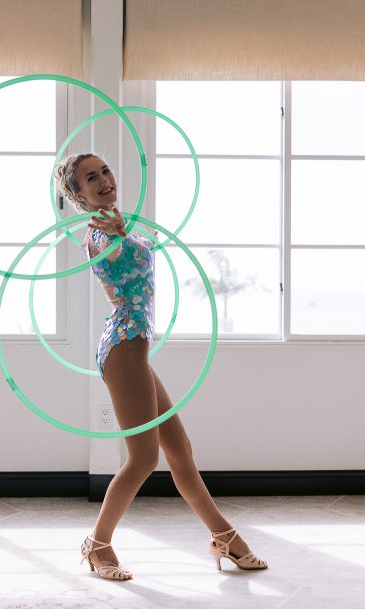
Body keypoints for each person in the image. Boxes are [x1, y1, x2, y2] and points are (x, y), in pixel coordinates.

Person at [52, 152, 268, 581]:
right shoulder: (98, 233)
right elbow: (111, 251)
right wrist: (117, 233)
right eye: (91, 178)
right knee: (143, 458)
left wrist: (122, 229)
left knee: (180, 450)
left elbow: (127, 251)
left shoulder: (117, 223)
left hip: (135, 347)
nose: (104, 179)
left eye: (105, 170)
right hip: (122, 347)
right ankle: (97, 545)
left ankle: (223, 536)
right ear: (79, 195)